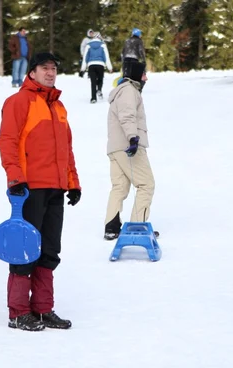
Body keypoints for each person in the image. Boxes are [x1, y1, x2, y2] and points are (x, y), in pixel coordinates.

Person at [0, 52, 81, 332]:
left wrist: (73, 182)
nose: (50, 72)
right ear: (31, 73)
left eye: (54, 68)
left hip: (56, 188)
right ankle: (19, 312)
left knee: (49, 251)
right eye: (44, 68)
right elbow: (7, 141)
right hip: (29, 188)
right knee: (25, 250)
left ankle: (43, 309)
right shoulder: (18, 102)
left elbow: (66, 150)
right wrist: (15, 178)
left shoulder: (59, 107)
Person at [103, 60, 157, 240]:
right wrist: (133, 138)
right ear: (135, 75)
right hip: (128, 145)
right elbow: (127, 116)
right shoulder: (129, 91)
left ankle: (111, 226)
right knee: (146, 184)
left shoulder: (121, 91)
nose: (146, 78)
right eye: (143, 74)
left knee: (119, 187)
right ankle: (137, 226)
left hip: (115, 147)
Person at [81, 32, 113, 103]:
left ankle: (93, 98)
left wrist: (83, 68)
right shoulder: (103, 45)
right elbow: (106, 57)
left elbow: (85, 58)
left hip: (91, 65)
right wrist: (109, 67)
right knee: (100, 79)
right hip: (100, 65)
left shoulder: (88, 45)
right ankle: (99, 89)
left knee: (93, 81)